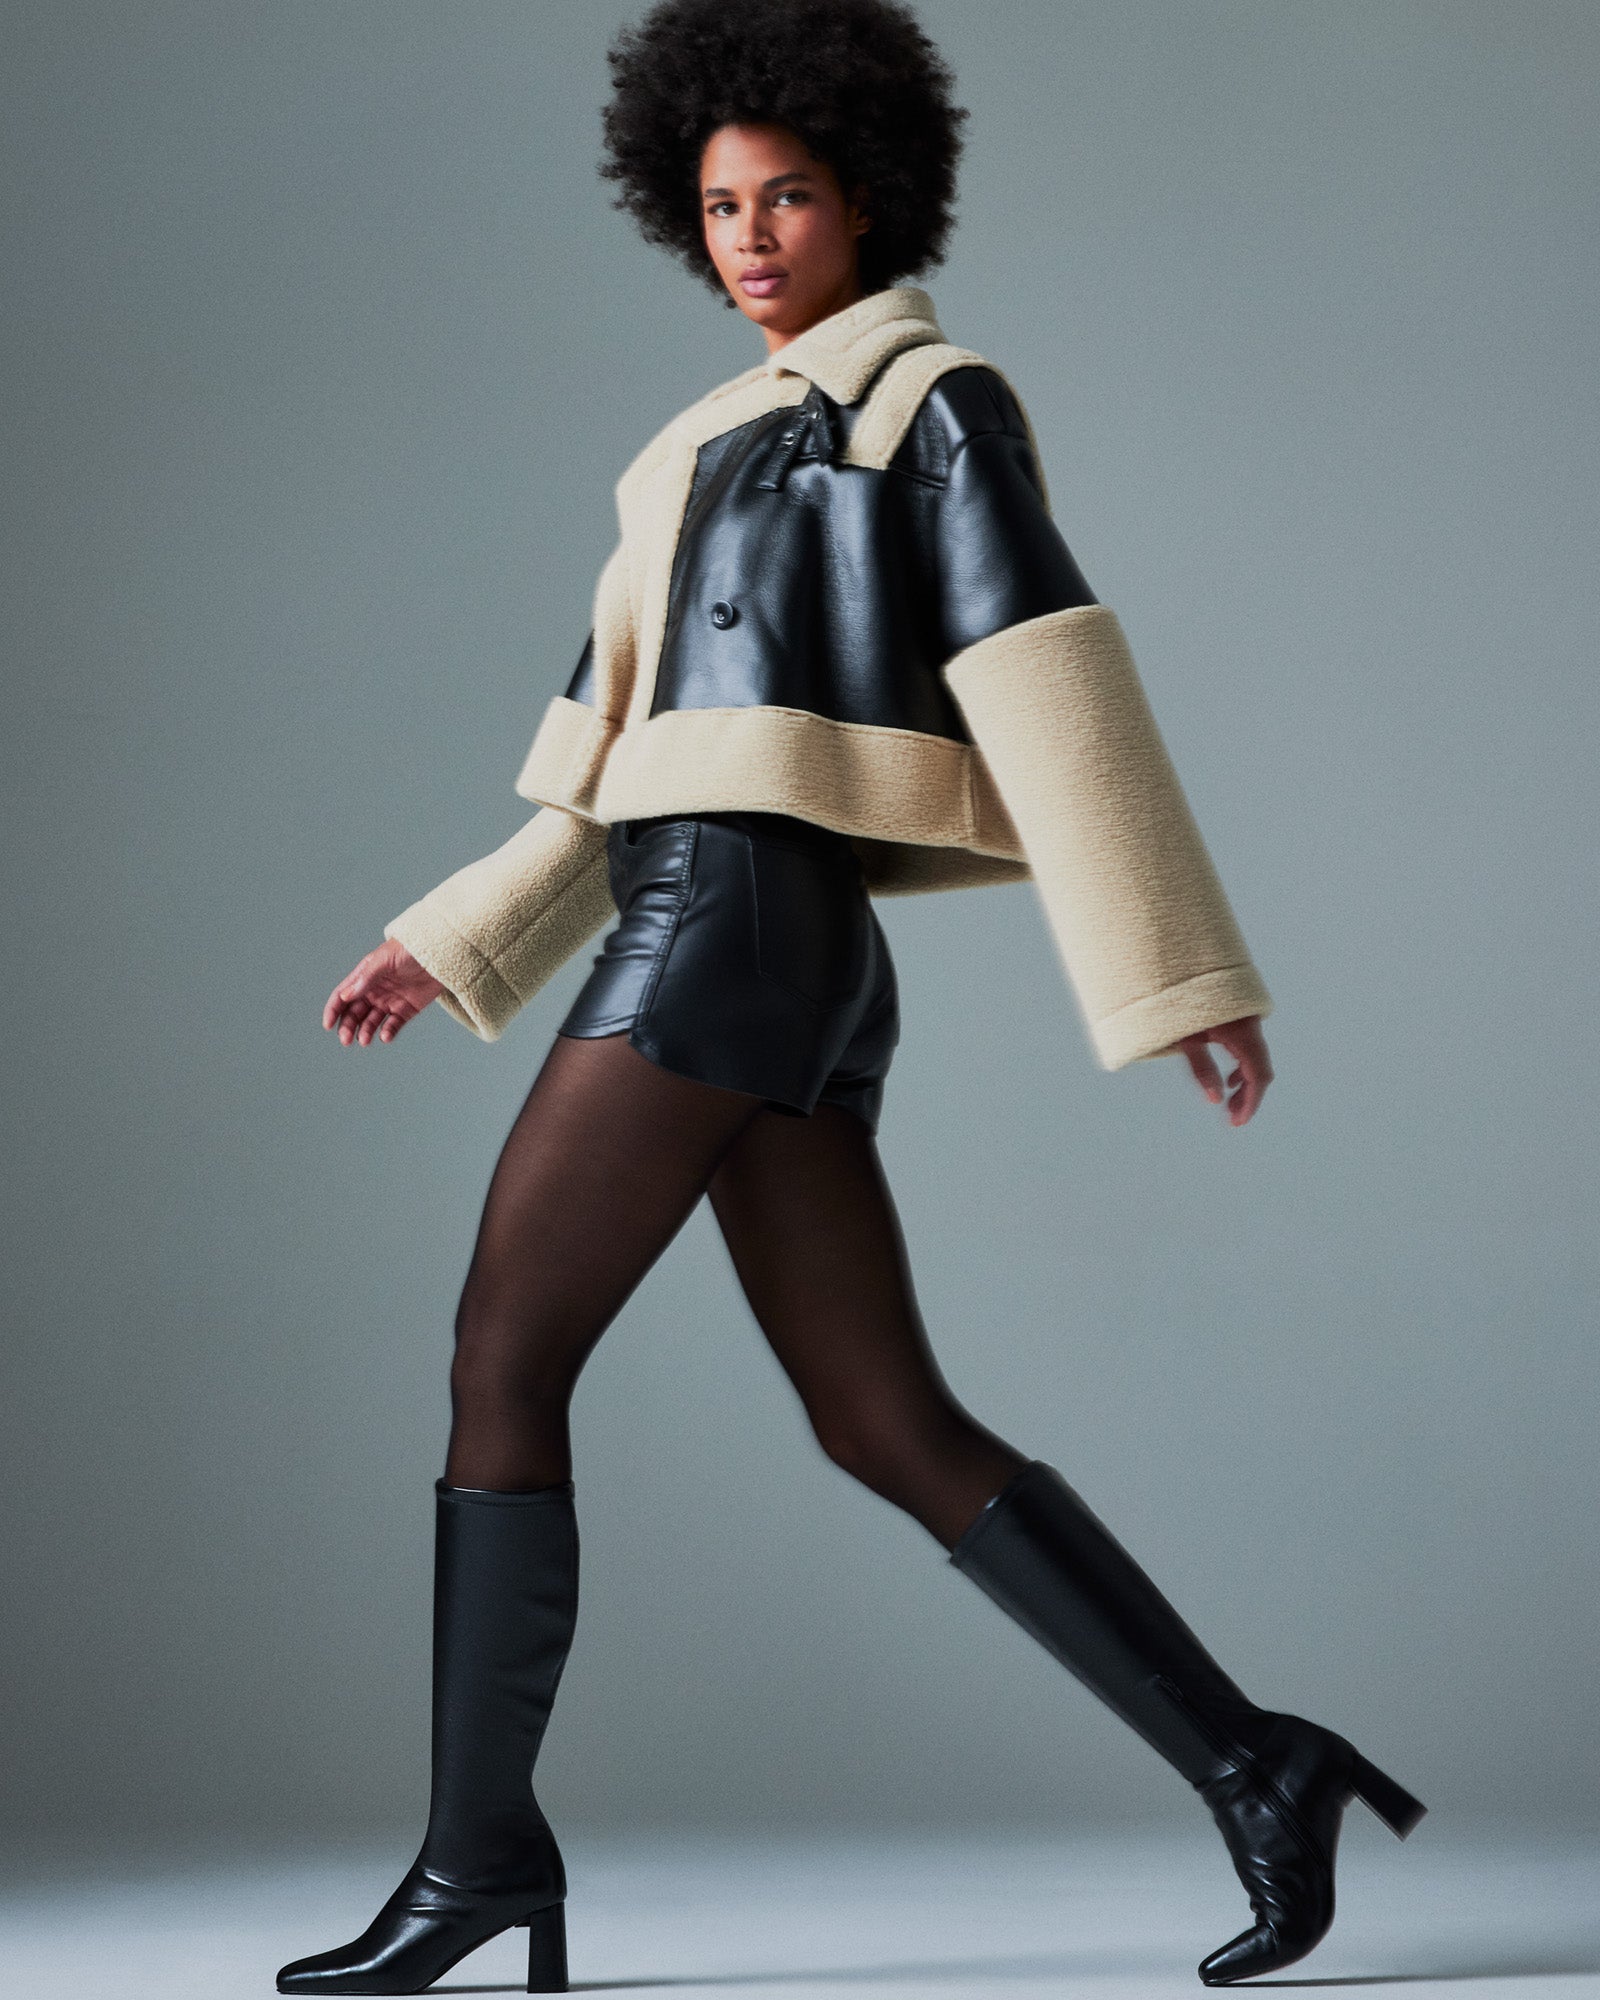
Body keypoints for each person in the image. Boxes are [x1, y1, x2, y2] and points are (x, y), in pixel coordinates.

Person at [278, 2, 1424, 1992]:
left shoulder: (924, 401)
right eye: (720, 203)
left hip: (732, 931)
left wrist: (1177, 977)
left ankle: (479, 1860)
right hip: (760, 934)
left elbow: (1046, 671)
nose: (750, 235)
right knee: (883, 1418)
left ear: (867, 193)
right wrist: (450, 934)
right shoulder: (684, 454)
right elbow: (623, 766)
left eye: (787, 194)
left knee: (501, 1357)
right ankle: (1259, 1765)